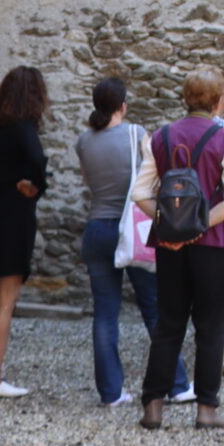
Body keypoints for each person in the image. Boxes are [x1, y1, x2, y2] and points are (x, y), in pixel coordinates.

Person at [130, 66, 224, 430]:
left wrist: (172, 225)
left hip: (170, 243)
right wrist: (201, 224)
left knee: (169, 323)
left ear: (185, 98)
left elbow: (140, 194)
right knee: (211, 326)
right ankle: (206, 409)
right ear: (217, 100)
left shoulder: (161, 137)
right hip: (215, 241)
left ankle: (153, 406)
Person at [75, 77, 187, 407]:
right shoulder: (135, 133)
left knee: (105, 314)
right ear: (123, 105)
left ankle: (110, 393)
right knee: (154, 309)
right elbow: (153, 175)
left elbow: (88, 182)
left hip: (97, 228)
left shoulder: (83, 141)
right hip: (132, 230)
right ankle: (177, 384)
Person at [0, 65, 50, 398]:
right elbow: (37, 159)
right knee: (5, 301)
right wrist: (36, 186)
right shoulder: (23, 128)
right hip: (12, 218)